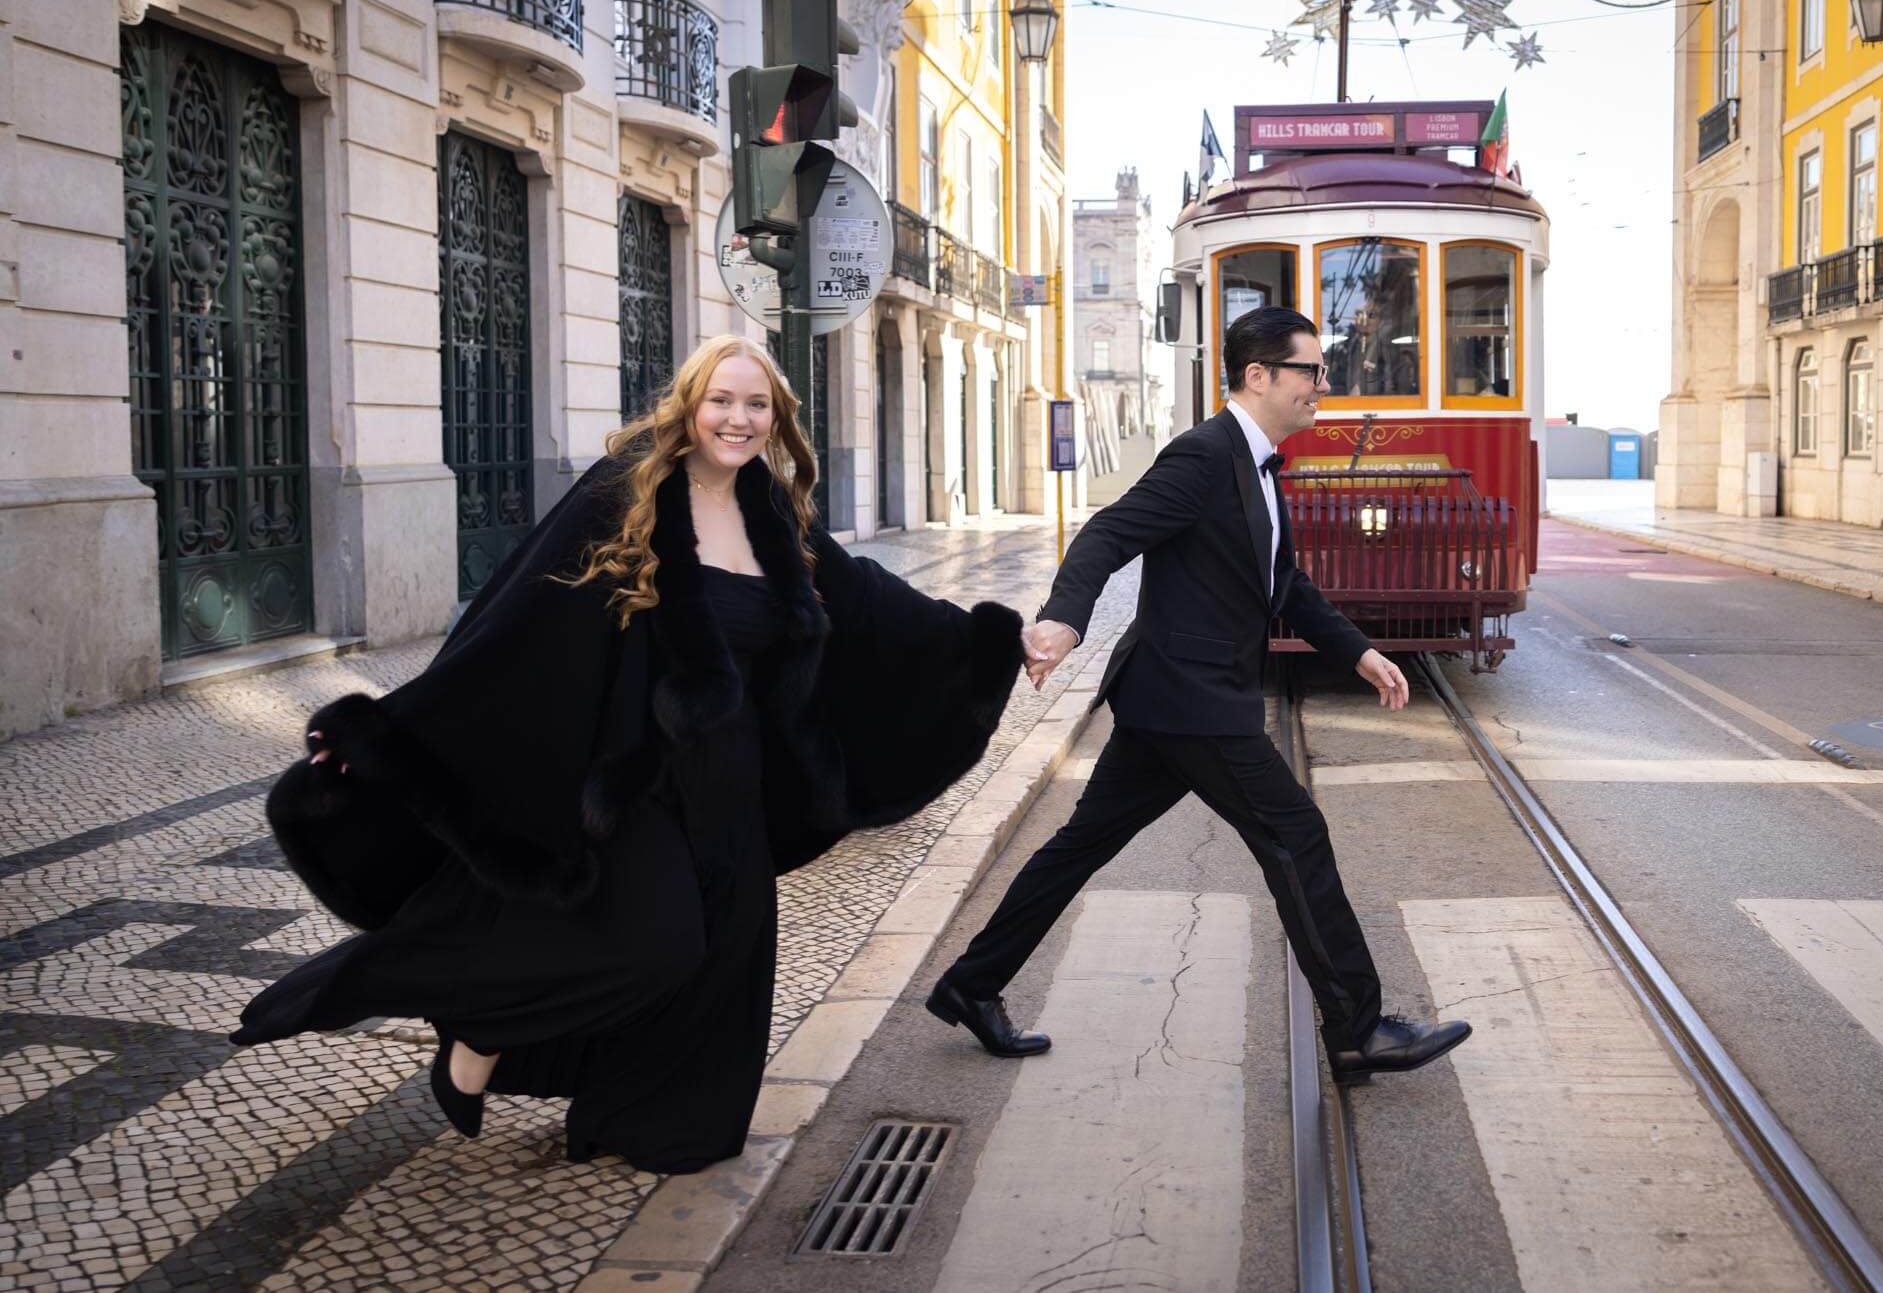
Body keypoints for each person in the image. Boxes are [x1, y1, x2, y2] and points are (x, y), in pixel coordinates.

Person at [233, 334, 1025, 1173]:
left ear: (779, 420)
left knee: (726, 964)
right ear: (689, 405)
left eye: (757, 405)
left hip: (734, 788)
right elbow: (514, 628)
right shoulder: (628, 496)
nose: (739, 418)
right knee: (655, 944)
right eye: (722, 400)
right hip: (638, 783)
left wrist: (988, 642)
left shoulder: (775, 515)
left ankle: (635, 1117)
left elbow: (871, 603)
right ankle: (481, 1033)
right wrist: (385, 732)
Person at [929, 306, 1472, 1083]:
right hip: (1194, 703)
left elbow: (1283, 584)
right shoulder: (1202, 455)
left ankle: (970, 984)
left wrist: (1358, 651)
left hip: (1165, 704)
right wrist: (1063, 621)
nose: (1323, 384)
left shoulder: (1257, 465)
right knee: (1297, 834)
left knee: (1078, 846)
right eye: (1311, 371)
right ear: (1259, 376)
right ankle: (1358, 1027)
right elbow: (1107, 533)